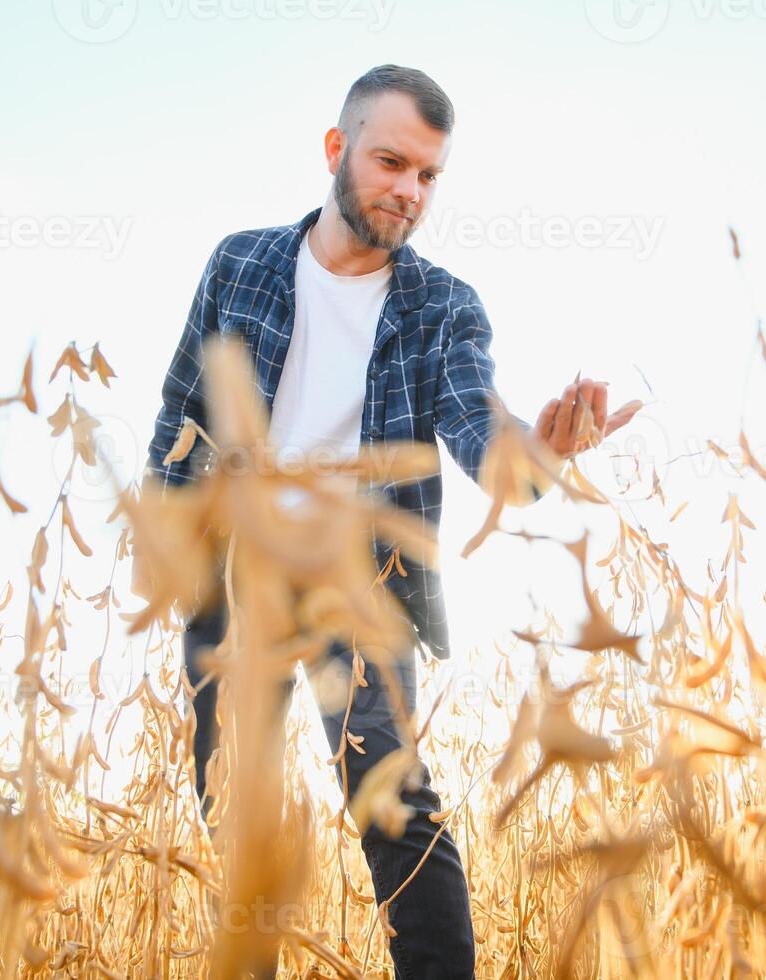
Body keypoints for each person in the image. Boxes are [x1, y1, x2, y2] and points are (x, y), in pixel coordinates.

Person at [140, 64, 635, 979]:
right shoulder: (239, 262)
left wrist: (545, 449)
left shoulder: (442, 306)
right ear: (337, 151)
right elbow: (182, 413)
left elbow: (474, 423)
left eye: (428, 175)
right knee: (232, 809)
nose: (409, 191)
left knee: (393, 802)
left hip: (362, 585)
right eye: (391, 162)